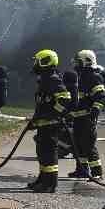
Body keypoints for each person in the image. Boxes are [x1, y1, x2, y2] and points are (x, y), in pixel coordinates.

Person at [28, 49, 72, 193]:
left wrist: (53, 115)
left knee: (48, 153)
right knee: (42, 152)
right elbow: (43, 104)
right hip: (44, 124)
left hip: (51, 125)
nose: (35, 64)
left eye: (37, 61)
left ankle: (50, 183)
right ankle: (43, 179)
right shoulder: (45, 79)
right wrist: (35, 121)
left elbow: (65, 99)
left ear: (45, 62)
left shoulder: (53, 79)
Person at [68, 49, 105, 179]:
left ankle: (97, 173)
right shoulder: (79, 77)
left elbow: (101, 97)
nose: (76, 65)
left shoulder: (94, 77)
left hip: (87, 118)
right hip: (77, 118)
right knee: (78, 146)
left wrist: (95, 110)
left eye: (78, 62)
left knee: (88, 145)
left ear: (86, 62)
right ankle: (82, 170)